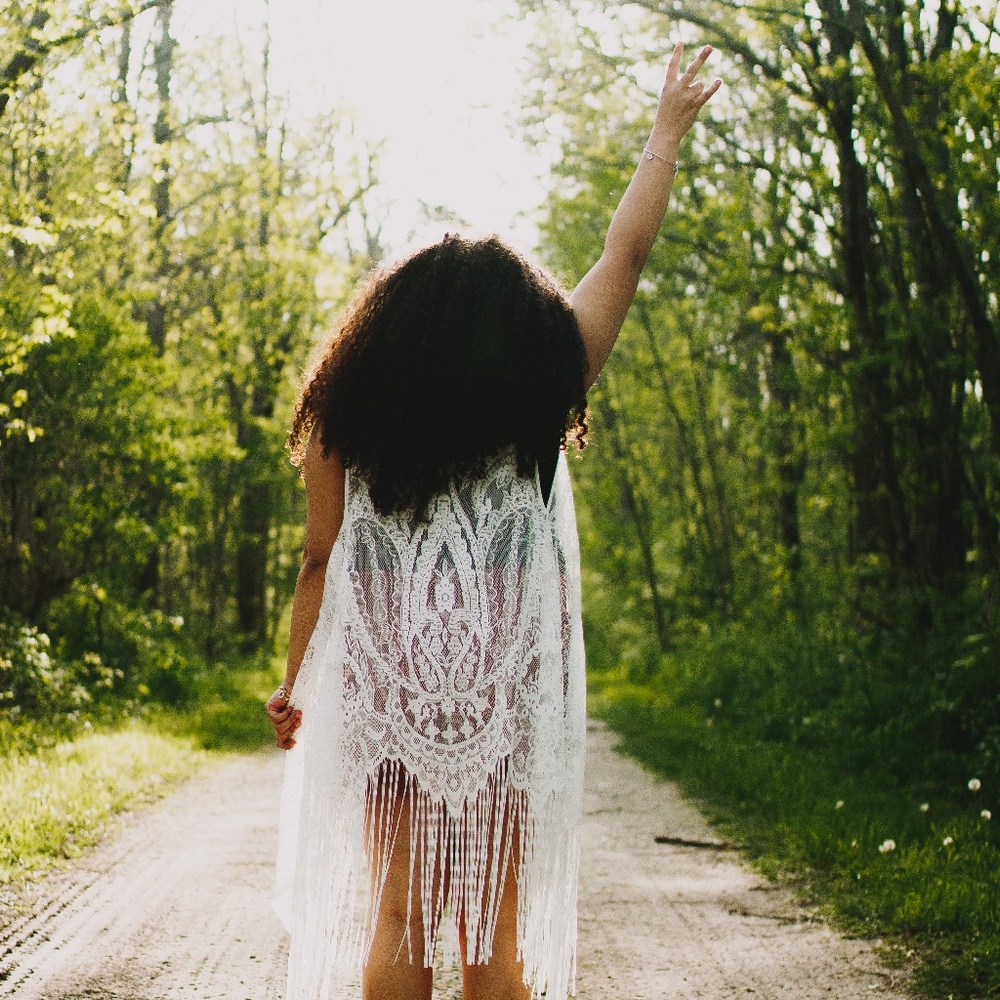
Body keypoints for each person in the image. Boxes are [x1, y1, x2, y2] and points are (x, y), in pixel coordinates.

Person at [266, 42, 720, 1000]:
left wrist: (296, 683)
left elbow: (319, 562)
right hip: (506, 691)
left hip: (389, 683)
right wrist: (664, 134)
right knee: (494, 932)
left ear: (384, 329)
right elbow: (623, 253)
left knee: (395, 916)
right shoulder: (541, 379)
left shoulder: (350, 407)